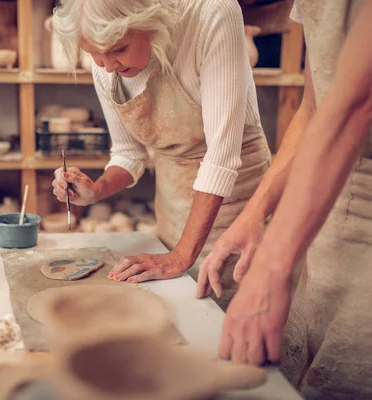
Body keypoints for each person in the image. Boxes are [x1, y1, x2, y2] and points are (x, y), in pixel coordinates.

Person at [196, 1, 372, 398]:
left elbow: (356, 103)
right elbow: (315, 110)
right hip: (329, 203)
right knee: (302, 368)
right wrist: (255, 214)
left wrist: (272, 268)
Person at [49, 0, 271, 310]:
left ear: (149, 20)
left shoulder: (211, 13)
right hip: (173, 218)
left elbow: (222, 157)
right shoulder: (105, 64)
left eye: (118, 50)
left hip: (237, 210)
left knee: (236, 328)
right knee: (183, 321)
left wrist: (181, 255)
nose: (107, 66)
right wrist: (96, 190)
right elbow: (129, 153)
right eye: (93, 54)